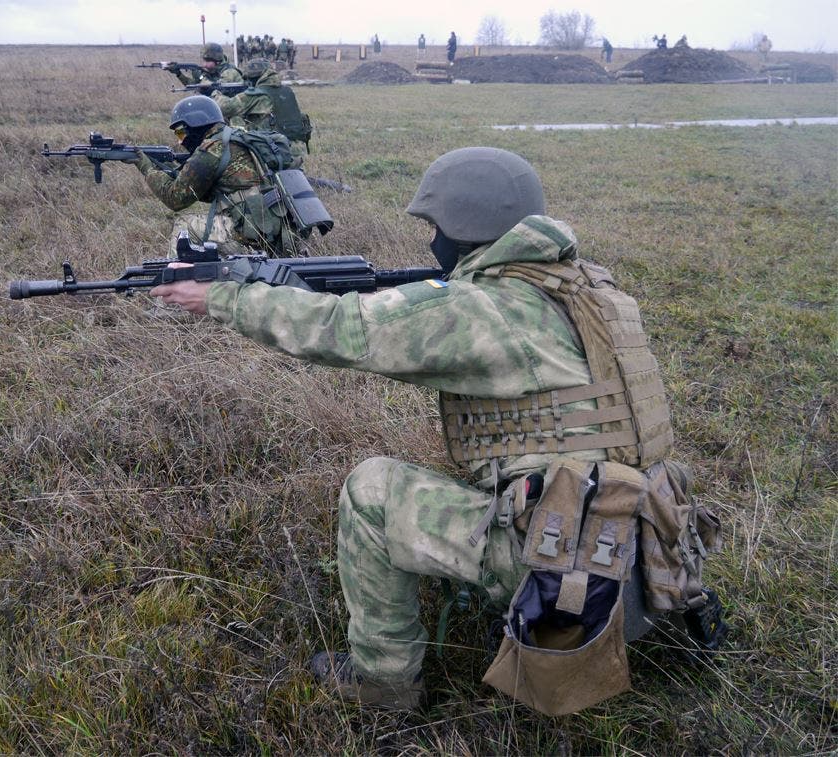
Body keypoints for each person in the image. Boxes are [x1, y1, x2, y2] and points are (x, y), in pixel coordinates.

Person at [148, 147, 691, 710]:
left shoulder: (491, 308)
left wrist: (222, 296)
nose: (433, 241)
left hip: (575, 581)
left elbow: (346, 331)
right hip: (650, 558)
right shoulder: (584, 289)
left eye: (436, 228)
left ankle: (383, 684)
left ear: (465, 226)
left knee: (373, 491)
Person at [129, 95, 302, 257]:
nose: (179, 141)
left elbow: (175, 198)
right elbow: (205, 189)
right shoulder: (237, 138)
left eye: (180, 133)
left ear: (195, 125)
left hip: (253, 237)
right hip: (280, 234)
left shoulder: (212, 149)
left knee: (185, 226)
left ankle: (175, 276)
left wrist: (146, 167)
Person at [214, 58, 312, 155]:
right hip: (297, 149)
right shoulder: (287, 91)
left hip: (274, 150)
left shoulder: (257, 95)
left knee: (236, 118)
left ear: (253, 78)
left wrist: (217, 95)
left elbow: (226, 108)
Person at [165, 42, 243, 87]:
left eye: (207, 61)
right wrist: (179, 74)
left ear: (217, 61)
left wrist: (200, 77)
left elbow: (215, 89)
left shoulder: (230, 72)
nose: (204, 64)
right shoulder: (212, 71)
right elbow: (195, 85)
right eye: (204, 61)